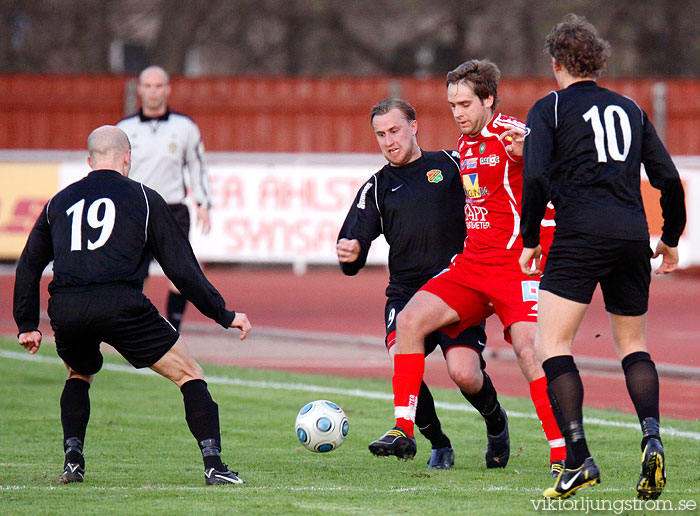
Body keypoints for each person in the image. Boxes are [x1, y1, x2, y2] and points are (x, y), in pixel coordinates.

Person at [13, 125, 252, 486]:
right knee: (189, 373)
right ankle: (214, 465)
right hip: (122, 304)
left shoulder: (59, 202)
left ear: (89, 161)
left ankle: (73, 461)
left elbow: (29, 264)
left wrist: (27, 323)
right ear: (128, 158)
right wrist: (223, 314)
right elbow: (182, 269)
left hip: (68, 306)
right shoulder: (143, 197)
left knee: (78, 373)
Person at [369, 59, 568, 477]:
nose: (457, 112)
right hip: (472, 265)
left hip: (517, 268)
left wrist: (530, 159)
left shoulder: (515, 135)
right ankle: (403, 427)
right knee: (409, 321)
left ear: (489, 99)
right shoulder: (465, 145)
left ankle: (560, 453)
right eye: (451, 104)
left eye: (464, 103)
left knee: (530, 351)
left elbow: (559, 177)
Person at [519, 14, 686, 500]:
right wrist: (669, 236)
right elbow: (668, 179)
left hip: (579, 234)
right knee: (633, 344)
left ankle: (578, 458)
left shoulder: (548, 107)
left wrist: (530, 238)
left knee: (552, 344)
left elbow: (534, 178)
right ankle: (651, 437)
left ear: (556, 63)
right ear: (596, 61)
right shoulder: (630, 107)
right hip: (632, 235)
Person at [338, 98, 508, 470]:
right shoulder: (377, 187)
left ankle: (496, 422)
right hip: (406, 293)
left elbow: (492, 198)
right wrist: (350, 252)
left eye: (395, 130)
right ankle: (438, 442)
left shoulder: (451, 164)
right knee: (402, 359)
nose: (388, 141)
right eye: (381, 134)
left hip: (458, 286)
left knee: (464, 373)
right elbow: (354, 244)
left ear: (414, 127)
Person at [117, 65, 212, 331]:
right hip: (135, 209)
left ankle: (174, 331)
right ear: (139, 90)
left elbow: (197, 165)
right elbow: (113, 169)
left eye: (158, 86)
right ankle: (136, 332)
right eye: (148, 86)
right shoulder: (125, 128)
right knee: (135, 276)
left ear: (167, 89)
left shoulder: (184, 127)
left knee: (180, 273)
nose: (153, 92)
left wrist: (203, 203)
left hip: (172, 210)